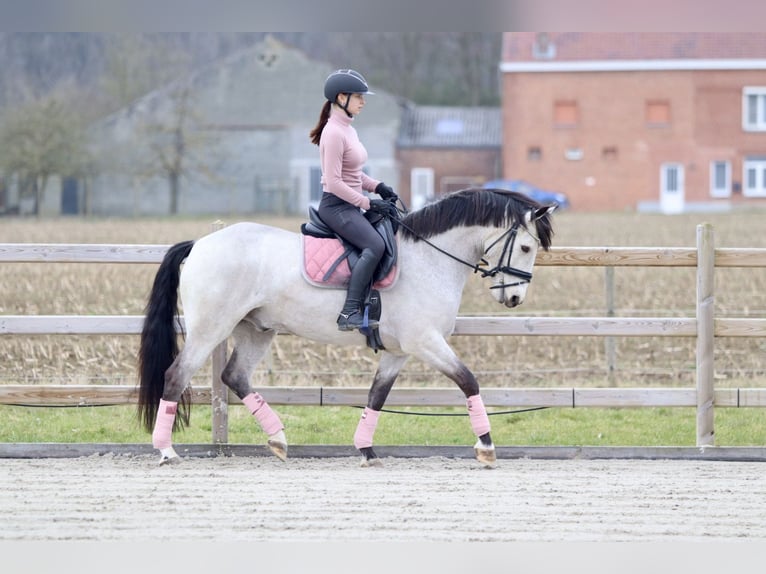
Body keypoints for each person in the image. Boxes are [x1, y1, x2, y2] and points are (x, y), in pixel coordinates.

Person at [309, 69, 398, 332]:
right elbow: (334, 182)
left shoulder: (348, 129)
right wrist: (368, 203)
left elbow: (354, 175)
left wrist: (378, 187)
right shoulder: (333, 133)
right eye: (359, 96)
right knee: (374, 245)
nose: (363, 101)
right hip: (336, 206)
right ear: (341, 97)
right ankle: (348, 313)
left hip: (350, 203)